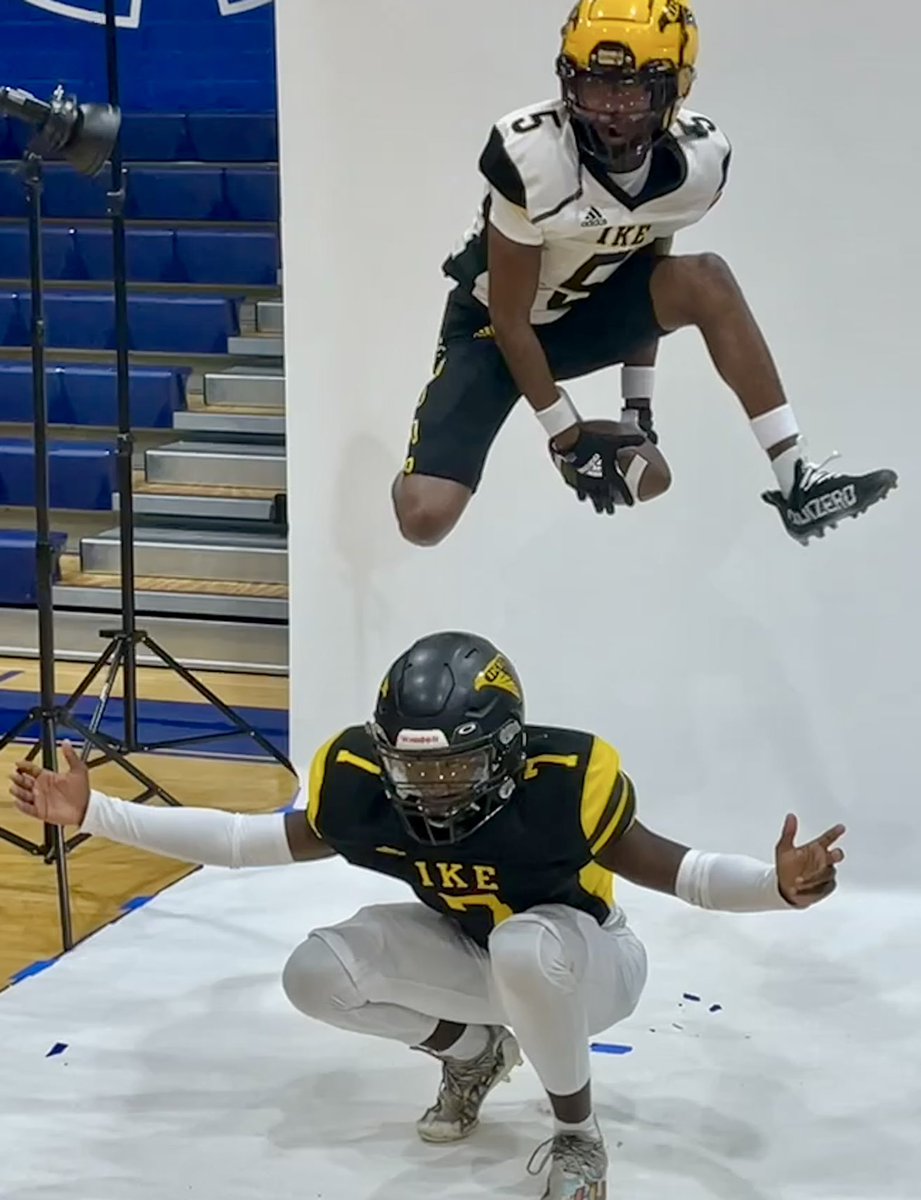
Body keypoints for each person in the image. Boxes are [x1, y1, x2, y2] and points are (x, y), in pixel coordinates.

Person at [9, 631, 846, 1200]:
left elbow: (688, 875)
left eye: (457, 767)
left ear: (512, 751)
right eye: (419, 770)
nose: (434, 787)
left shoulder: (565, 781)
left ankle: (578, 1135)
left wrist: (775, 887)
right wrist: (95, 815)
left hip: (587, 966)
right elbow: (241, 840)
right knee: (315, 972)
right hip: (471, 952)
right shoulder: (362, 783)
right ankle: (475, 1052)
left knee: (524, 945)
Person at [391, 0, 897, 547]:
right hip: (493, 330)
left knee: (706, 279)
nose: (612, 110)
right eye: (595, 87)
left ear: (676, 89)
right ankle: (419, 455)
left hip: (581, 319)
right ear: (568, 82)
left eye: (631, 90)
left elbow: (644, 272)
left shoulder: (698, 163)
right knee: (424, 519)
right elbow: (512, 319)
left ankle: (797, 477)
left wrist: (637, 408)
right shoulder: (532, 157)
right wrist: (568, 439)